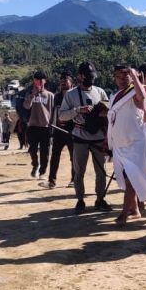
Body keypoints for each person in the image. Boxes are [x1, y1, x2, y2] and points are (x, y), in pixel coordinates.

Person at [58, 62, 111, 214]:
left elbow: (110, 114)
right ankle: (80, 200)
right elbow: (62, 115)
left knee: (101, 171)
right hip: (80, 136)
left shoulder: (100, 92)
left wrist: (102, 115)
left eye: (93, 76)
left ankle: (100, 199)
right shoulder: (71, 94)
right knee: (79, 171)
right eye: (88, 75)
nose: (91, 79)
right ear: (80, 76)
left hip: (99, 138)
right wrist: (77, 110)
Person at [108, 64, 146, 224]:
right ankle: (135, 210)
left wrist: (135, 77)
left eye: (125, 76)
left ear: (132, 77)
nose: (122, 79)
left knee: (131, 179)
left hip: (135, 144)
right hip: (119, 145)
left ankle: (124, 213)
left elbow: (142, 97)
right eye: (118, 76)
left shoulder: (136, 92)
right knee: (128, 179)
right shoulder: (114, 96)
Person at [42, 71, 75, 189]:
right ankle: (52, 181)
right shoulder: (57, 96)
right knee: (54, 156)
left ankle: (74, 180)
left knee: (73, 158)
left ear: (71, 82)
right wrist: (51, 124)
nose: (63, 84)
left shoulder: (75, 96)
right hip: (58, 131)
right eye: (61, 82)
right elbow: (54, 112)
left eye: (65, 81)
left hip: (72, 131)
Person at [24, 71, 54, 178]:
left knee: (45, 152)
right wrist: (33, 94)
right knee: (32, 149)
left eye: (41, 81)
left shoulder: (50, 95)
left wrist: (52, 125)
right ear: (34, 81)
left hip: (46, 127)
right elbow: (26, 106)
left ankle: (42, 172)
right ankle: (35, 165)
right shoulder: (30, 94)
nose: (39, 83)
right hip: (32, 126)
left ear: (45, 81)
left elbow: (53, 112)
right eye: (37, 81)